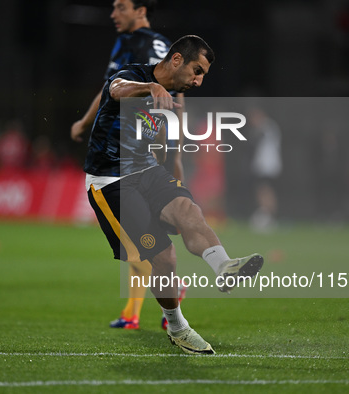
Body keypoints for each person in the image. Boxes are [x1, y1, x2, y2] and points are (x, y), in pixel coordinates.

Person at [84, 35, 264, 354]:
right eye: (197, 70)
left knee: (189, 211)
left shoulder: (171, 99)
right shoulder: (133, 76)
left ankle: (224, 267)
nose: (199, 80)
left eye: (204, 74)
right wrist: (149, 88)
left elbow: (163, 152)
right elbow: (116, 90)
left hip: (147, 172)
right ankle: (177, 326)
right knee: (165, 259)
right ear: (177, 60)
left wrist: (175, 186)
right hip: (111, 182)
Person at [71, 0, 184, 331]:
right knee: (139, 239)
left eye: (121, 7)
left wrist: (168, 144)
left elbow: (170, 93)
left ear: (141, 9)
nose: (113, 14)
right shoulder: (127, 43)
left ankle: (167, 302)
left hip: (138, 149)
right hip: (131, 145)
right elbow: (112, 89)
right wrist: (87, 121)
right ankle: (136, 312)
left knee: (139, 241)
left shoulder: (154, 44)